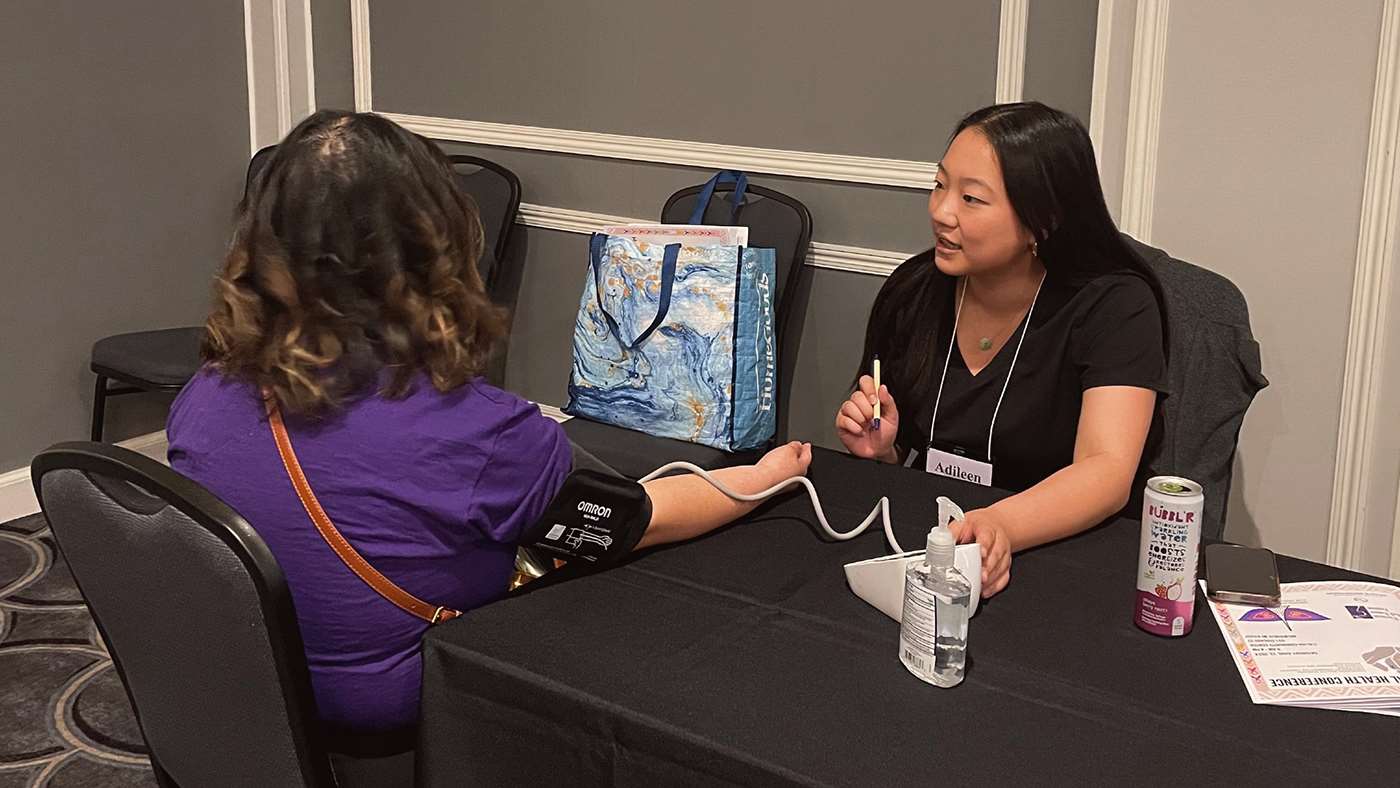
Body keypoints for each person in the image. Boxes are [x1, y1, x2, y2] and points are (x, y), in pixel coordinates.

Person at [167, 110, 811, 734]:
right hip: (391, 707)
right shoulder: (478, 432)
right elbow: (635, 521)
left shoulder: (203, 395)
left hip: (244, 686)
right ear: (435, 246)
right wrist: (764, 477)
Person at [835, 102, 1167, 599]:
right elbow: (908, 454)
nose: (941, 211)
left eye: (971, 198)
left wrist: (1000, 524)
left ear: (1042, 219)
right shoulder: (914, 290)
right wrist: (884, 451)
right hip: (937, 545)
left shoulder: (1115, 306)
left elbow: (1106, 470)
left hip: (1064, 558)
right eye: (939, 185)